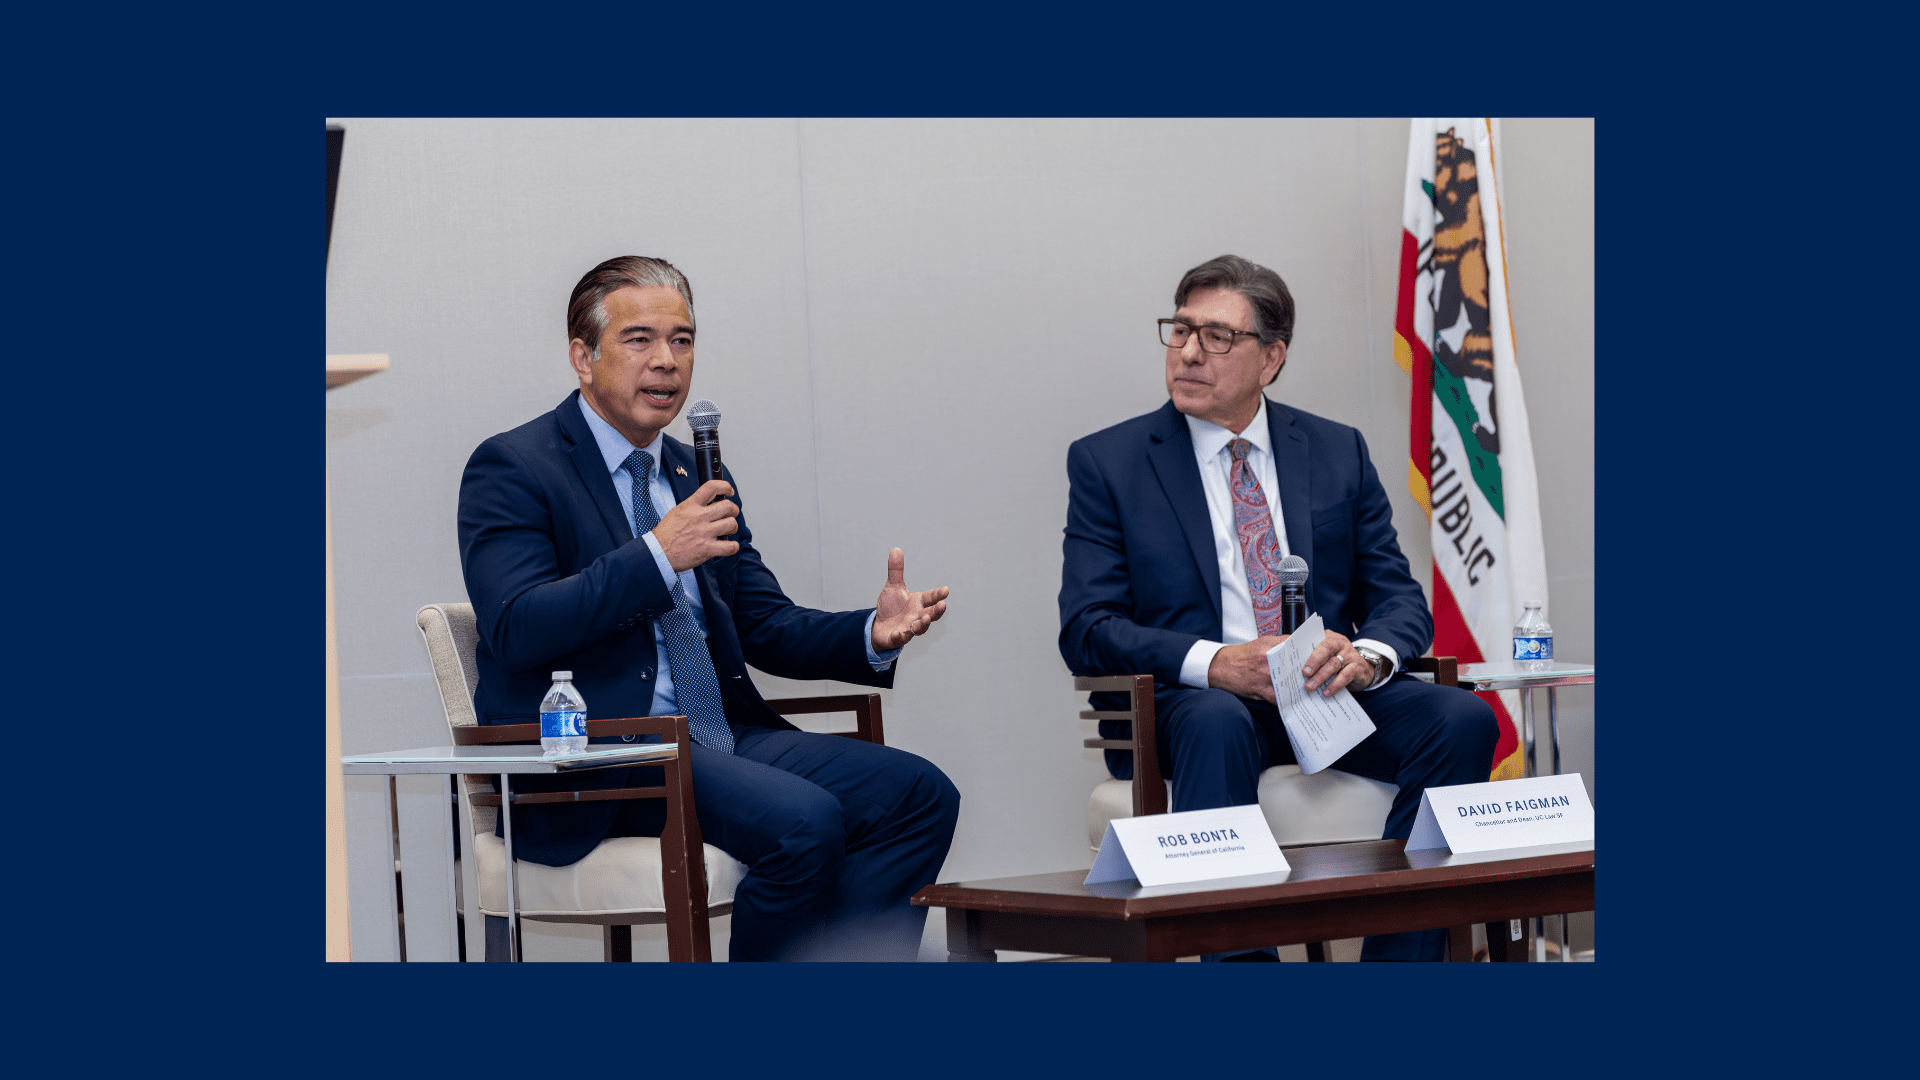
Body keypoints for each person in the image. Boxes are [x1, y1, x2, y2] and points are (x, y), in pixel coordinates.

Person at [458, 255, 960, 961]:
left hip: (713, 734)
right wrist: (659, 552)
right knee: (804, 822)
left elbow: (762, 623)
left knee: (918, 795)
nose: (666, 362)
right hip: (599, 754)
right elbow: (515, 627)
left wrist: (869, 634)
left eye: (683, 340)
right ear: (582, 354)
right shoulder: (515, 466)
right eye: (639, 340)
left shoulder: (696, 473)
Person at [1057, 254, 1497, 962]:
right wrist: (1218, 663)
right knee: (1218, 720)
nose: (1190, 352)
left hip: (1322, 694)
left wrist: (1365, 657)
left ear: (1272, 358)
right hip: (1190, 704)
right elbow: (1086, 628)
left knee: (1461, 720)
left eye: (1219, 336)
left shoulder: (1335, 449)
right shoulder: (1110, 462)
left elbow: (1399, 599)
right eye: (1181, 330)